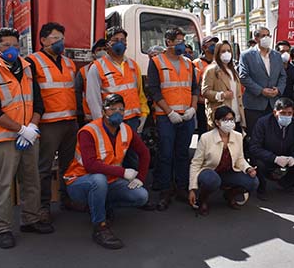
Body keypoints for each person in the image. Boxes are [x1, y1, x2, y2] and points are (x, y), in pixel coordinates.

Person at [0, 28, 54, 249]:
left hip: (29, 135)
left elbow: (38, 103)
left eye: (15, 45)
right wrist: (20, 129)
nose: (11, 50)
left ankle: (30, 220)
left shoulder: (28, 68)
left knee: (31, 180)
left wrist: (32, 126)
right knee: (3, 184)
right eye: (6, 46)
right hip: (4, 138)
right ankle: (3, 228)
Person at [64, 94, 149, 249]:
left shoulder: (126, 129)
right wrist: (122, 172)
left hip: (110, 181)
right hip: (79, 182)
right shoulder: (88, 131)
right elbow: (90, 166)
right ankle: (100, 227)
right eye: (112, 109)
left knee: (142, 196)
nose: (117, 113)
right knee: (98, 179)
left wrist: (141, 178)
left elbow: (144, 153)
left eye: (121, 109)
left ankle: (100, 205)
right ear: (103, 112)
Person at [26, 22, 78, 224]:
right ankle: (42, 207)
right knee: (44, 168)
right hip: (48, 123)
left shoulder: (69, 63)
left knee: (69, 166)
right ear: (43, 40)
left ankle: (67, 199)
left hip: (70, 122)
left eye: (61, 38)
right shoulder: (32, 61)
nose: (60, 42)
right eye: (55, 38)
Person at [148, 27, 199, 211]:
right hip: (166, 116)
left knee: (182, 153)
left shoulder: (188, 63)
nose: (182, 44)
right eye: (178, 41)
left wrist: (193, 108)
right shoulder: (156, 62)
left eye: (183, 40)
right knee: (166, 153)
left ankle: (182, 187)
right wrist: (169, 112)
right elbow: (154, 89)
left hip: (186, 116)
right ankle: (165, 190)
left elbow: (194, 88)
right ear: (168, 42)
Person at [188, 106, 258, 215]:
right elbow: (196, 163)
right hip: (210, 171)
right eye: (225, 120)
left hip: (228, 172)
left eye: (231, 119)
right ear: (217, 122)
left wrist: (248, 168)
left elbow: (240, 158)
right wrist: (192, 189)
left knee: (253, 182)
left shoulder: (238, 136)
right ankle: (202, 200)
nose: (229, 123)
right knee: (212, 180)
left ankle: (230, 195)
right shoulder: (206, 138)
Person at [86, 26, 149, 134]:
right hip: (111, 122)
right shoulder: (97, 67)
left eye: (123, 40)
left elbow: (140, 94)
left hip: (133, 121)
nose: (120, 43)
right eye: (115, 40)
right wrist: (101, 125)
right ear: (107, 44)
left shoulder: (133, 65)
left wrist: (144, 114)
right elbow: (93, 100)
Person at [249, 98, 294, 199]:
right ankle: (261, 189)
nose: (286, 116)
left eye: (289, 113)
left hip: (287, 157)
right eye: (283, 113)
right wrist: (274, 158)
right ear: (275, 112)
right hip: (268, 157)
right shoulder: (262, 123)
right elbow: (254, 147)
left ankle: (287, 184)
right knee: (258, 162)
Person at [239, 27, 286, 136]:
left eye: (268, 35)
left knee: (273, 135)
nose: (266, 38)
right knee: (255, 135)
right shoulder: (246, 55)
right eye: (263, 35)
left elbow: (283, 76)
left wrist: (278, 90)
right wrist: (261, 91)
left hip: (273, 104)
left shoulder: (277, 56)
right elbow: (243, 76)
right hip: (254, 105)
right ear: (256, 38)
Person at [201, 40, 246, 132]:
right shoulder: (211, 70)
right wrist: (222, 95)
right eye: (223, 51)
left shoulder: (233, 70)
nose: (227, 53)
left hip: (236, 116)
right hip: (221, 118)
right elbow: (205, 92)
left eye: (229, 51)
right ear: (217, 53)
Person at [75, 39, 107, 128]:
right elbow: (77, 93)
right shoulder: (83, 71)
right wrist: (80, 114)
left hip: (111, 115)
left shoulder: (114, 69)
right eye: (99, 49)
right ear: (93, 54)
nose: (102, 52)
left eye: (105, 49)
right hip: (89, 117)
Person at [193, 36, 219, 138]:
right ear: (204, 47)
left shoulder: (219, 62)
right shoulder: (196, 63)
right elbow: (194, 85)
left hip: (217, 102)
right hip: (202, 103)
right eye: (211, 44)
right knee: (204, 132)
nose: (214, 46)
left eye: (215, 43)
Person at [276, 40, 294, 104]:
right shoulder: (272, 69)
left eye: (287, 51)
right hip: (275, 103)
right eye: (282, 51)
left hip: (290, 104)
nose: (285, 54)